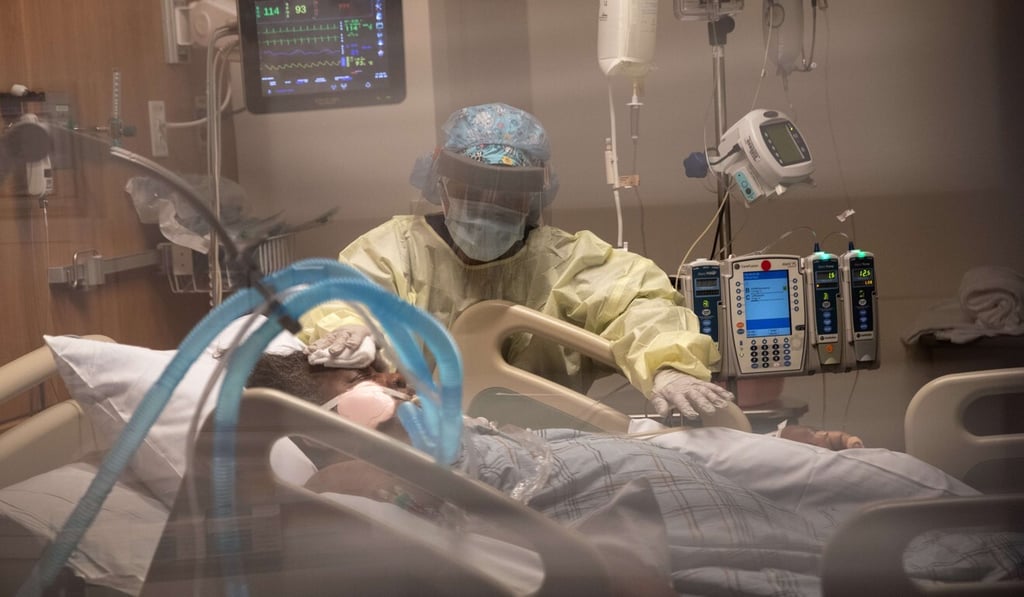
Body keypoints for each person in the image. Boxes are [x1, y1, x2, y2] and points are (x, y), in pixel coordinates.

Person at [299, 102, 733, 421]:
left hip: (553, 445)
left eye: (507, 196)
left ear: (535, 198)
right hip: (419, 445)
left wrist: (670, 366)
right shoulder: (393, 252)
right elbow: (347, 298)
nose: (488, 205)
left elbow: (642, 304)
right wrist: (349, 328)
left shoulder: (566, 262)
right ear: (440, 184)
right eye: (473, 190)